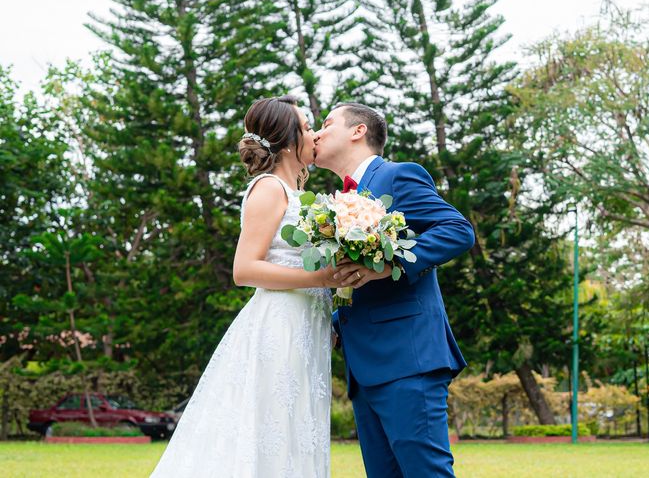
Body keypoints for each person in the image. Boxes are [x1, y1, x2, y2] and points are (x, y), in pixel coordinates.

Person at [150, 95, 360, 478]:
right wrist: (321, 279)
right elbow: (244, 269)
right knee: (274, 428)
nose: (314, 135)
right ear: (287, 138)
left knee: (300, 427)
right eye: (307, 127)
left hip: (307, 325)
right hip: (280, 325)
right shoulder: (268, 189)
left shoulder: (296, 195)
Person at [314, 102, 475, 478]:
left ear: (358, 131)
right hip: (363, 367)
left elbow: (457, 230)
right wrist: (337, 321)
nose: (317, 134)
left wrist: (392, 264)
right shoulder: (339, 200)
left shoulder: (397, 176)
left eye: (326, 124)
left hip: (408, 358)